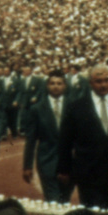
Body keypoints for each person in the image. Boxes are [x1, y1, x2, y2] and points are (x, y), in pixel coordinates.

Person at [56, 64, 108, 210]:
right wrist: (64, 169)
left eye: (107, 80)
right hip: (88, 172)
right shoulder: (76, 107)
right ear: (90, 83)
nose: (103, 85)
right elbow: (65, 140)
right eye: (99, 81)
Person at [21, 70, 74, 204]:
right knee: (53, 201)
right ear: (47, 86)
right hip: (47, 161)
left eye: (59, 83)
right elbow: (31, 139)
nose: (55, 86)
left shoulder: (73, 106)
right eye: (52, 83)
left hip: (70, 163)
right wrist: (27, 166)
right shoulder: (37, 109)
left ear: (65, 86)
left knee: (65, 200)